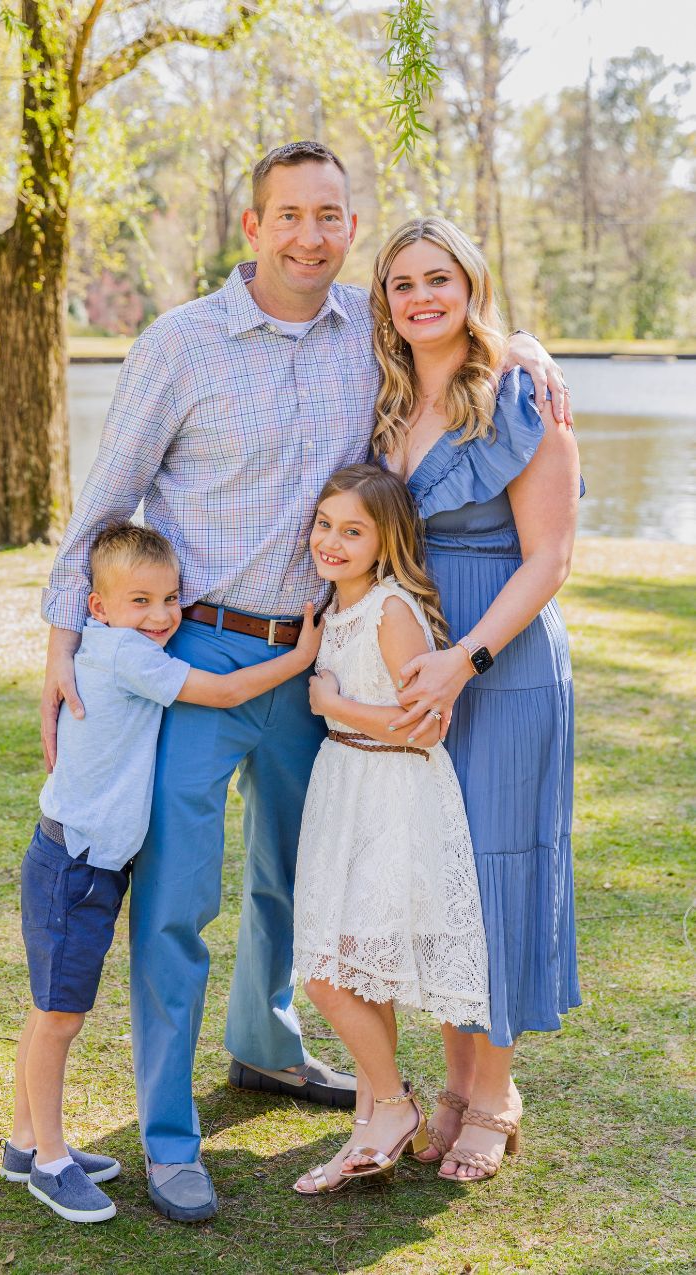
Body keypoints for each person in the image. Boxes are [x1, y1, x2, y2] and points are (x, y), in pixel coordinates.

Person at [38, 140, 569, 1222]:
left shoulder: (361, 347)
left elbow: (459, 349)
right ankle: (170, 1135)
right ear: (253, 227)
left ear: (350, 229)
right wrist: (61, 636)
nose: (310, 235)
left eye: (330, 216)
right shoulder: (178, 345)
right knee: (180, 901)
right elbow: (106, 500)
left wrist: (528, 343)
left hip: (317, 651)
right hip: (200, 654)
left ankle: (267, 1050)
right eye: (289, 215)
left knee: (299, 881)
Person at [5, 523, 324, 1223]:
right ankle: (51, 1162)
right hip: (78, 864)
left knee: (47, 1005)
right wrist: (301, 652)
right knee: (59, 1014)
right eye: (141, 599)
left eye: (171, 598)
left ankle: (26, 1140)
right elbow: (224, 689)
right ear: (98, 606)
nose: (161, 615)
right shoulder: (128, 655)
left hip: (80, 855)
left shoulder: (119, 642)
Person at [366, 217, 581, 1183]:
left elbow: (551, 558)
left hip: (503, 665)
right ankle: (453, 1085)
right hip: (422, 670)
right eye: (403, 281)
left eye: (438, 278)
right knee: (442, 878)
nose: (421, 296)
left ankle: (495, 1093)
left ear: (470, 284)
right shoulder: (387, 397)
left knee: (494, 871)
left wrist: (466, 659)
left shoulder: (521, 392)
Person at [286, 466, 490, 1195]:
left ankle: (396, 1106)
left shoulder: (390, 609)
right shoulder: (336, 606)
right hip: (345, 787)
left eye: (352, 530)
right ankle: (371, 1118)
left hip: (392, 794)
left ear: (386, 540)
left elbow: (428, 725)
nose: (331, 541)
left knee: (328, 968)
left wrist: (333, 703)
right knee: (356, 967)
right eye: (324, 523)